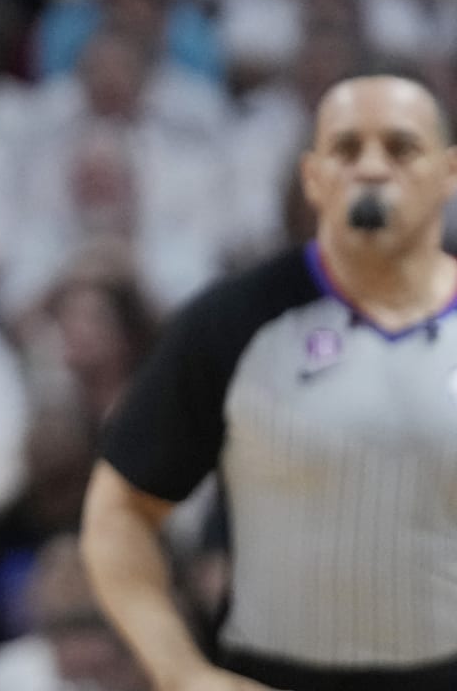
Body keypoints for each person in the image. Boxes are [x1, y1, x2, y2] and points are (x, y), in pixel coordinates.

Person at [80, 74, 457, 691]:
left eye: (400, 147)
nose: (371, 168)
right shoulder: (233, 321)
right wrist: (180, 669)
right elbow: (118, 509)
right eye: (346, 148)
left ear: (449, 172)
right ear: (313, 177)